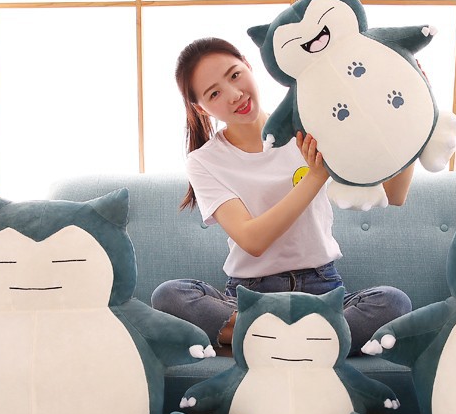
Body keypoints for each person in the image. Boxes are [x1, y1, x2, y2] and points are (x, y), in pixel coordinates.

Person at [151, 37, 413, 355]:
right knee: (170, 296)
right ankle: (316, 344)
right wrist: (315, 177)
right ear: (200, 107)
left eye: (235, 75)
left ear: (248, 66)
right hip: (249, 296)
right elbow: (253, 240)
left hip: (322, 289)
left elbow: (395, 194)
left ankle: (264, 343)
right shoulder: (204, 161)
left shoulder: (310, 125)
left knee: (394, 302)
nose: (234, 95)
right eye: (214, 94)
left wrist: (409, 118)